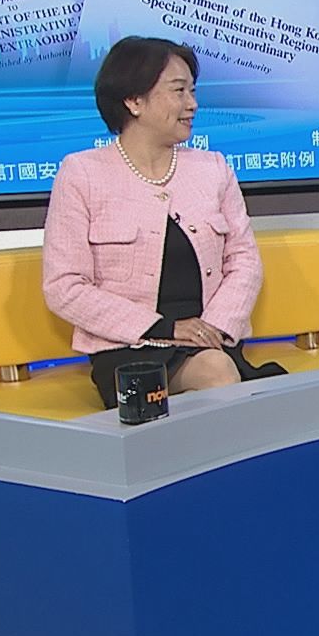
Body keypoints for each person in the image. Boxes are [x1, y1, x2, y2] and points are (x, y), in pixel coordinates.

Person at [43, 36, 283, 409]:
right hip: (129, 350)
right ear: (134, 101)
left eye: (193, 91)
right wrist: (164, 329)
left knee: (225, 372)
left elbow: (244, 261)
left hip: (210, 341)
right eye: (178, 91)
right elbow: (64, 287)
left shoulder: (213, 169)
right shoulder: (82, 174)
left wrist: (215, 328)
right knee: (220, 376)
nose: (192, 104)